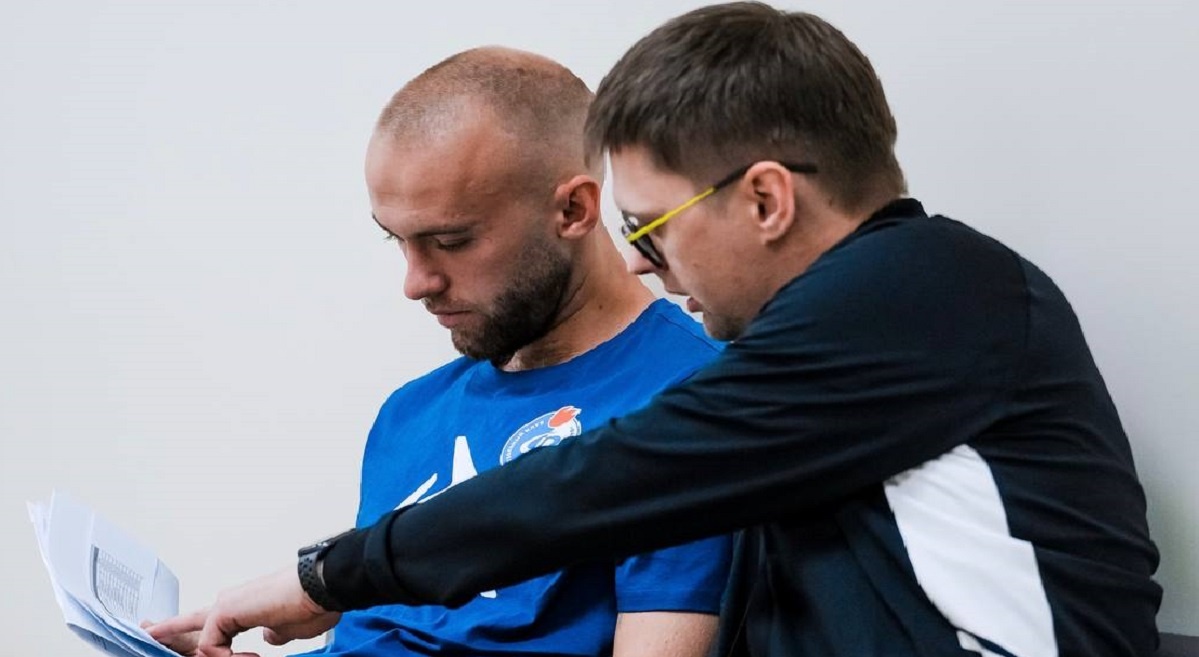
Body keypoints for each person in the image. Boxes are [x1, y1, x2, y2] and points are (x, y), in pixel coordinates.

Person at [149, 4, 1163, 657]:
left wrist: (326, 575)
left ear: (764, 200)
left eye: (649, 227)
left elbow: (608, 477)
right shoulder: (839, 361)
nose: (638, 262)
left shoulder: (925, 289)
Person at [148, 47, 732, 657]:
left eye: (450, 241)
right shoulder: (410, 412)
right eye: (396, 240)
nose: (415, 283)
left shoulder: (697, 404)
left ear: (573, 210)